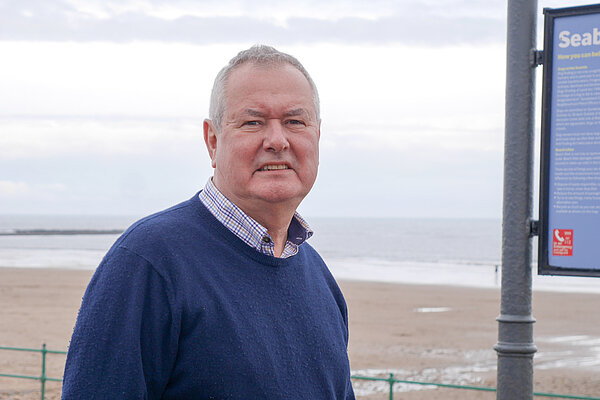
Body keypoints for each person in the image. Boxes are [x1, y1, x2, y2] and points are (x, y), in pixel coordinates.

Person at [62, 45, 355, 399]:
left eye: (295, 121)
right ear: (212, 141)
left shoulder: (320, 281)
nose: (277, 141)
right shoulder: (149, 262)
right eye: (253, 122)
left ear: (317, 136)